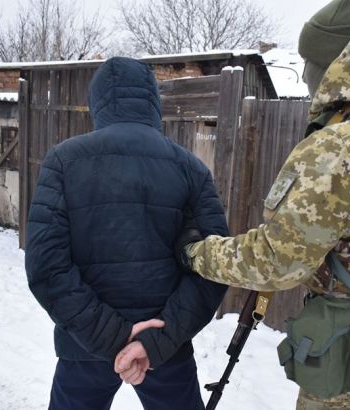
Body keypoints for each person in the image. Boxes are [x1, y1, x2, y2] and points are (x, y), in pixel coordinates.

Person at [121, 0, 350, 409]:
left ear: (331, 64)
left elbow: (275, 261)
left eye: (309, 61)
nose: (306, 74)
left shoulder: (344, 147)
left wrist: (194, 253)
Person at [25, 56, 228, 410]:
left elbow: (46, 266)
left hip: (85, 346)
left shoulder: (63, 160)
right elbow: (213, 266)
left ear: (97, 102)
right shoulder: (190, 167)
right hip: (166, 346)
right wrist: (155, 340)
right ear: (152, 101)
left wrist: (113, 337)